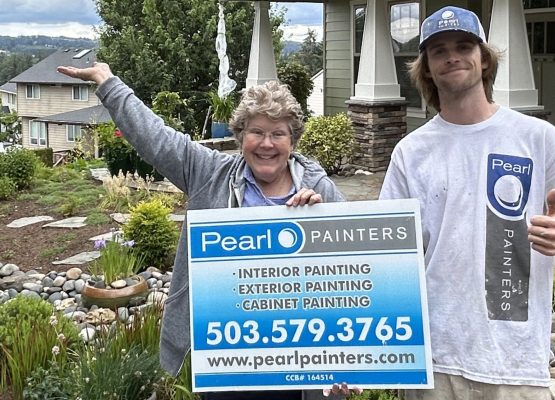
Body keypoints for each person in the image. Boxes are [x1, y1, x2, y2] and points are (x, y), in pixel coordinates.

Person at [57, 62, 346, 400]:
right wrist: (109, 84)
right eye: (256, 132)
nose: (266, 143)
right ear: (240, 136)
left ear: (292, 140)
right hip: (228, 358)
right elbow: (157, 138)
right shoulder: (210, 174)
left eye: (278, 133)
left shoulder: (318, 188)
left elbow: (358, 273)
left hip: (301, 364)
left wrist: (324, 216)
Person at [379, 5, 555, 400]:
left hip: (513, 362)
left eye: (464, 45)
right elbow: (387, 257)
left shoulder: (538, 138)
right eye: (438, 50)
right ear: (426, 67)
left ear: (484, 60)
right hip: (435, 359)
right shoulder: (411, 152)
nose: (452, 56)